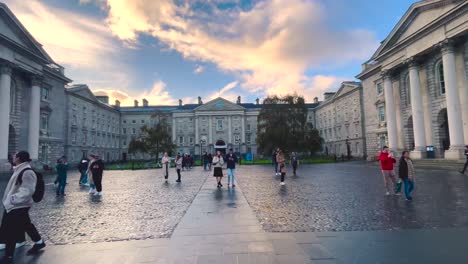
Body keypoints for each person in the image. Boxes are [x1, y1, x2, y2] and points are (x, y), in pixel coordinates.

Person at [0, 151, 45, 263]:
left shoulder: (27, 172)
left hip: (18, 206)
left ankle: (9, 256)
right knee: (26, 224)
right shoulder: (20, 169)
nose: (13, 157)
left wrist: (12, 199)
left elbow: (28, 190)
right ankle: (39, 242)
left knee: (11, 230)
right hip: (17, 205)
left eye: (14, 156)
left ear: (19, 158)